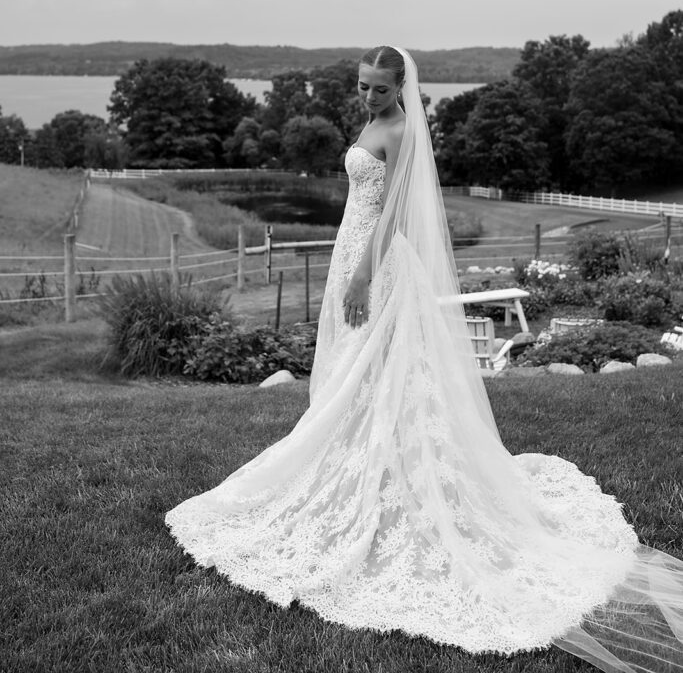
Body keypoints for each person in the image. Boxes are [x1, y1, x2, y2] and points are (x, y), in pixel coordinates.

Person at [166, 46, 683, 672]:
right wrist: (347, 265)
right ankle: (362, 468)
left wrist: (362, 274)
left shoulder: (406, 130)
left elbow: (391, 212)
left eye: (379, 90)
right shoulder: (371, 122)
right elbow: (362, 200)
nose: (368, 99)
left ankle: (397, 477)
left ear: (401, 86)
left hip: (378, 268)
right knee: (353, 378)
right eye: (361, 88)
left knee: (382, 374)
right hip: (350, 258)